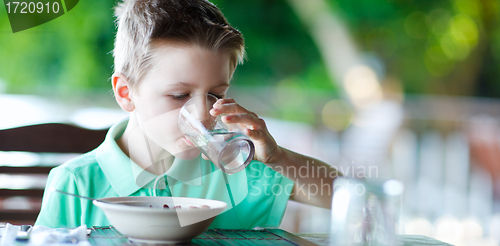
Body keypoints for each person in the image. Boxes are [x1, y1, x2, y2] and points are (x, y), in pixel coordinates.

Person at [35, 0, 338, 229]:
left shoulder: (235, 171)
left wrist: (279, 159)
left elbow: (346, 198)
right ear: (127, 93)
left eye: (215, 95)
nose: (203, 113)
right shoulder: (74, 184)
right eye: (179, 96)